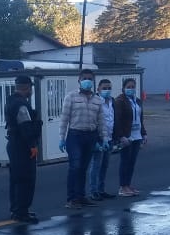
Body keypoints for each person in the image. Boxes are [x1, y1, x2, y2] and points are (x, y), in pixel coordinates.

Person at [58, 68, 109, 209]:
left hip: (91, 136)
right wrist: (62, 137)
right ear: (79, 81)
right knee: (75, 166)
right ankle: (72, 198)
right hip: (75, 135)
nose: (87, 81)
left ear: (93, 81)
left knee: (84, 167)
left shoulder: (98, 100)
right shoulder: (71, 97)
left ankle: (81, 196)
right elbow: (64, 119)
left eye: (90, 79)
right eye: (84, 78)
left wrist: (104, 138)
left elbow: (101, 121)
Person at [5, 74, 42, 223]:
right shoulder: (21, 105)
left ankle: (17, 209)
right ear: (27, 88)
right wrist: (32, 145)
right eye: (30, 88)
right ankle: (22, 212)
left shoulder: (11, 101)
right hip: (22, 145)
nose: (31, 91)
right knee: (25, 179)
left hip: (14, 144)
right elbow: (25, 127)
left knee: (16, 179)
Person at [113, 77, 147, 197]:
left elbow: (140, 118)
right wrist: (121, 136)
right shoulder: (120, 101)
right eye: (128, 87)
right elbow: (117, 120)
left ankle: (128, 185)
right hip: (127, 136)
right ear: (123, 88)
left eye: (133, 87)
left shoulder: (137, 101)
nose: (131, 89)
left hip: (137, 135)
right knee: (125, 161)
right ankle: (122, 187)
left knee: (132, 162)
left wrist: (144, 133)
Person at [87, 78, 117, 201]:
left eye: (109, 88)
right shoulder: (95, 102)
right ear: (98, 89)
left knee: (105, 165)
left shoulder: (112, 101)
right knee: (96, 165)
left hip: (109, 137)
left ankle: (101, 189)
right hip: (99, 138)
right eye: (104, 88)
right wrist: (95, 140)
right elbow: (92, 121)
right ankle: (93, 191)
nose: (107, 90)